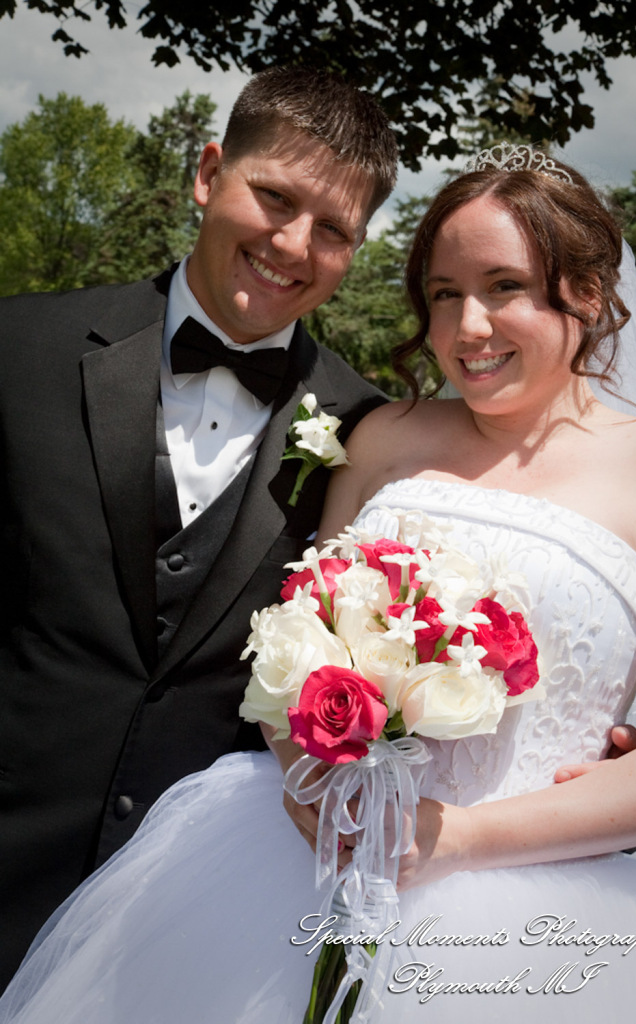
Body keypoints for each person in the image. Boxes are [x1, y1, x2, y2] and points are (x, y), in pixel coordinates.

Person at [3, 144, 636, 1023]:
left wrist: (458, 839)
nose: (467, 328)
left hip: (531, 911)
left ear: (591, 293)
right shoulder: (381, 437)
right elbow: (291, 644)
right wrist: (307, 773)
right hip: (276, 855)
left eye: (504, 287)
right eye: (444, 293)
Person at [0, 65, 398, 991]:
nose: (293, 244)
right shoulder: (18, 352)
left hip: (187, 929)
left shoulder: (368, 433)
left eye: (333, 230)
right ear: (210, 173)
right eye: (275, 198)